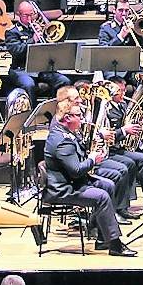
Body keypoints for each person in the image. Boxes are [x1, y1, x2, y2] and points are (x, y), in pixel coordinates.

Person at [43, 99, 137, 257]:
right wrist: (93, 159)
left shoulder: (65, 133)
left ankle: (102, 238)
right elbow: (76, 170)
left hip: (73, 183)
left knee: (108, 185)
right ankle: (115, 244)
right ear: (67, 118)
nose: (83, 119)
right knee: (102, 196)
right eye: (78, 115)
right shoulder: (62, 141)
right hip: (64, 189)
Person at [101, 79, 143, 218]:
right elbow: (109, 134)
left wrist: (139, 125)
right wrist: (124, 131)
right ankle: (122, 206)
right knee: (129, 164)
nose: (124, 93)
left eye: (124, 90)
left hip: (122, 147)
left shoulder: (123, 105)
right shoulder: (105, 108)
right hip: (110, 150)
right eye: (120, 91)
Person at [6, 1, 72, 100]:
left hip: (41, 69)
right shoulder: (12, 32)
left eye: (32, 14)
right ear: (18, 14)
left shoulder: (38, 28)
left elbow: (49, 50)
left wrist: (45, 37)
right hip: (22, 69)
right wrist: (33, 40)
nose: (30, 18)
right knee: (29, 85)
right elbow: (17, 51)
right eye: (26, 15)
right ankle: (32, 113)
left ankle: (55, 109)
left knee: (64, 81)